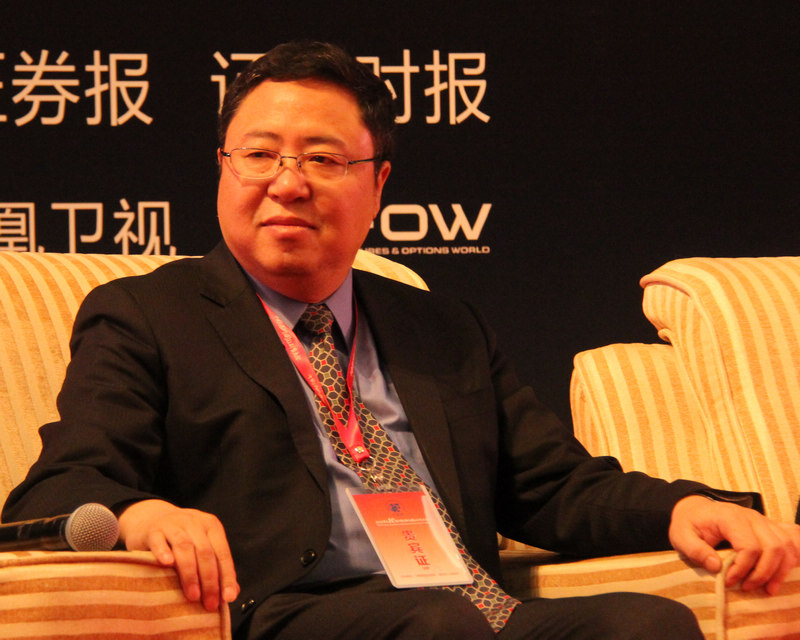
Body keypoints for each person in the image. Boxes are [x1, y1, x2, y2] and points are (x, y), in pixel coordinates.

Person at [4, 41, 798, 640]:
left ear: (378, 182)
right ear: (223, 167)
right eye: (259, 155)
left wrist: (683, 507)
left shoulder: (441, 326)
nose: (287, 182)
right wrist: (141, 514)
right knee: (438, 626)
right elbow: (59, 487)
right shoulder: (149, 315)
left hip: (471, 609)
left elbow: (554, 487)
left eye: (323, 158)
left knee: (647, 623)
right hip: (289, 610)